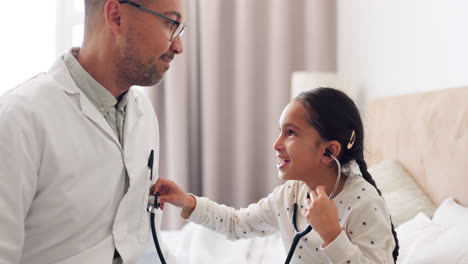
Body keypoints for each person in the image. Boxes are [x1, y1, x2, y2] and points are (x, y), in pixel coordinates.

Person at [0, 0, 185, 263]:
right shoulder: (19, 118)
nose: (178, 46)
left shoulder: (142, 112)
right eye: (170, 23)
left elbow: (138, 239)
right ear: (116, 17)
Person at [154, 87, 400, 263]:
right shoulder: (290, 196)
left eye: (291, 133)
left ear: (328, 151)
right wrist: (188, 202)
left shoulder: (365, 204)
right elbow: (236, 224)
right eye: (279, 131)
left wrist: (331, 233)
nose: (276, 144)